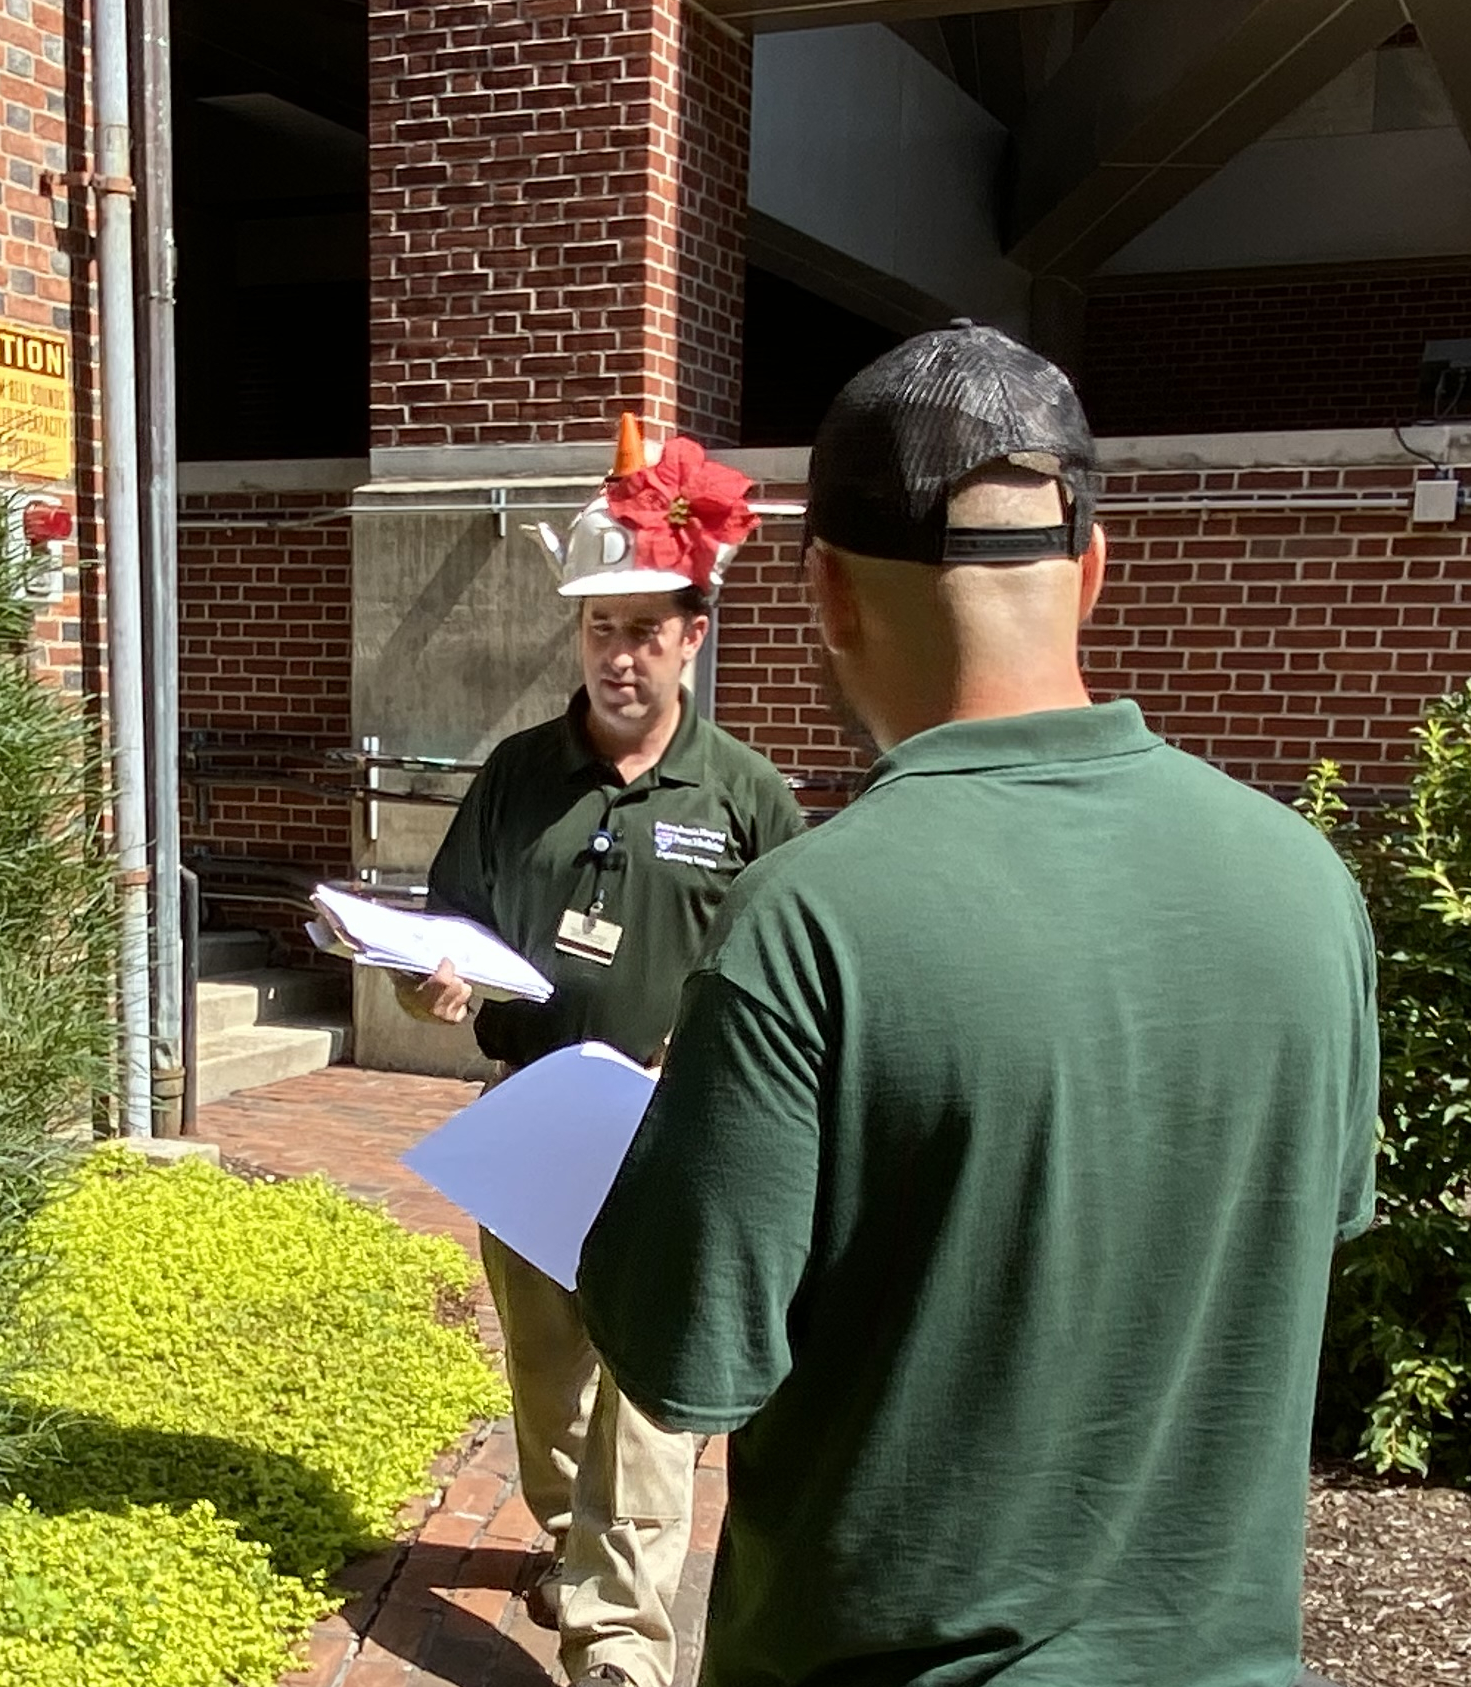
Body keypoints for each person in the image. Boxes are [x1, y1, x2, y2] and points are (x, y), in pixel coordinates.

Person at [575, 323, 1382, 1686]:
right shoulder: (1308, 882)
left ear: (825, 589)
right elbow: (1304, 1221)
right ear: (1094, 572)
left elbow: (687, 1360)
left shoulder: (806, 920)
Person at [396, 448, 805, 1687]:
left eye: (643, 631)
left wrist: (719, 1045)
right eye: (597, 630)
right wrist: (436, 977)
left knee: (650, 1389)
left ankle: (619, 1640)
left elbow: (793, 964)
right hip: (531, 1117)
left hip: (674, 1131)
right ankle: (571, 1535)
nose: (617, 656)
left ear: (692, 638)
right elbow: (452, 917)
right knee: (549, 1370)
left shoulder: (746, 797)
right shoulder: (521, 773)